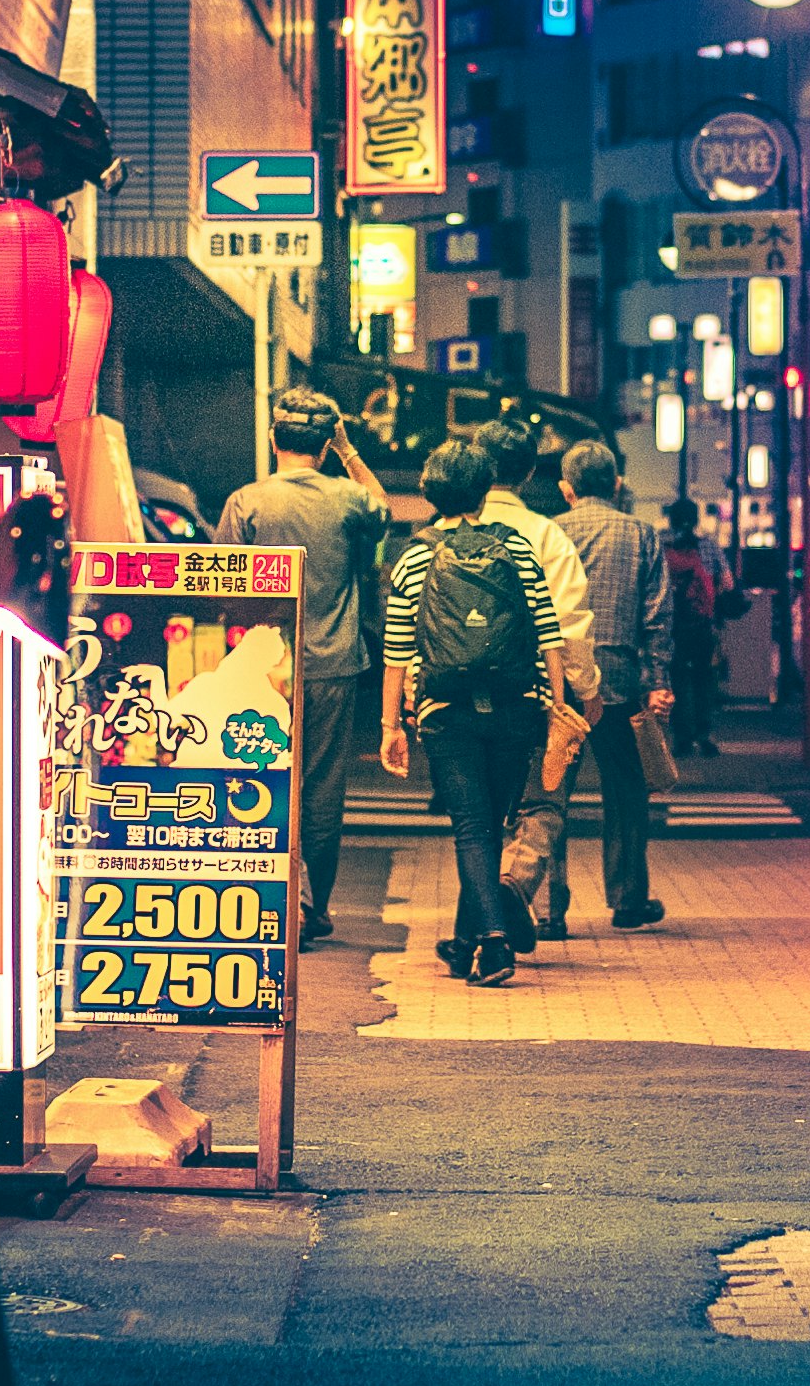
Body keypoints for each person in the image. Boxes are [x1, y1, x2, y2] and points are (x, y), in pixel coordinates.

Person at [212, 387, 395, 944]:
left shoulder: (247, 501)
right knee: (320, 788)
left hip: (261, 667)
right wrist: (351, 453)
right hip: (334, 664)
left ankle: (261, 904)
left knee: (256, 774)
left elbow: (222, 585)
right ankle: (311, 908)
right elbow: (384, 512)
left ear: (274, 439)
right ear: (325, 443)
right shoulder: (348, 498)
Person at [382, 438, 562, 986]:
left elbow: (396, 654)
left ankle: (492, 943)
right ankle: (466, 943)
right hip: (517, 707)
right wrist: (554, 708)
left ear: (431, 490)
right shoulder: (520, 549)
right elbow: (549, 636)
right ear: (485, 490)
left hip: (445, 711)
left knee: (471, 828)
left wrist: (391, 726)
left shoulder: (415, 556)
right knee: (492, 825)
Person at [529, 439, 675, 933]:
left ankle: (548, 910)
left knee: (549, 795)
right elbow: (658, 616)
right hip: (621, 683)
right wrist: (658, 682)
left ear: (565, 489)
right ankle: (628, 899)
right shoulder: (641, 535)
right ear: (616, 484)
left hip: (556, 689)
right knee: (628, 792)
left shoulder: (547, 534)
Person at [472, 416, 602, 938]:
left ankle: (483, 920)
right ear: (529, 474)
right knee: (544, 797)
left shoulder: (449, 531)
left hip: (461, 691)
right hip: (536, 691)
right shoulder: (547, 535)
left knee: (476, 814)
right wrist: (585, 692)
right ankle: (518, 888)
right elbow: (572, 622)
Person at [661, 497, 725, 754]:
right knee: (703, 680)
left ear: (671, 519)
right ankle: (704, 736)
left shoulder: (662, 547)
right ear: (696, 519)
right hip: (702, 625)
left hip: (673, 627)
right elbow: (727, 583)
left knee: (677, 681)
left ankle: (681, 739)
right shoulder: (708, 546)